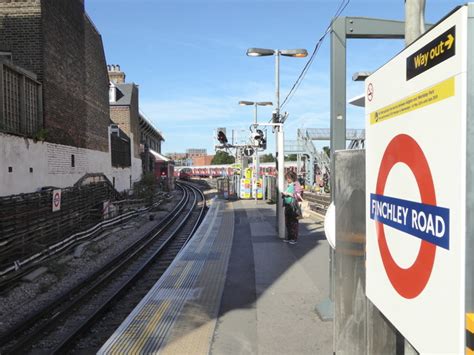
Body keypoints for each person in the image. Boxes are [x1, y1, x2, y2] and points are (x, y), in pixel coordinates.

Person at [282, 171, 301, 244]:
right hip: (288, 205)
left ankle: (294, 238)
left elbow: (298, 195)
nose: (287, 180)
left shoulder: (296, 185)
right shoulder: (289, 185)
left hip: (293, 206)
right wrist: (284, 194)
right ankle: (289, 237)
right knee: (288, 222)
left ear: (292, 178)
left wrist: (289, 194)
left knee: (293, 222)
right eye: (287, 178)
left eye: (289, 178)